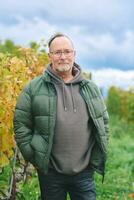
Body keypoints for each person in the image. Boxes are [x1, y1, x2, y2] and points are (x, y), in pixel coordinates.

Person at [13, 33, 109, 200]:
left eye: (67, 51)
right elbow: (21, 124)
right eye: (57, 52)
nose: (63, 56)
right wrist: (34, 156)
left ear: (74, 54)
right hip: (51, 173)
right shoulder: (33, 88)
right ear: (50, 56)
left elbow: (104, 123)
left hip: (84, 172)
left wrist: (95, 157)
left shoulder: (90, 88)